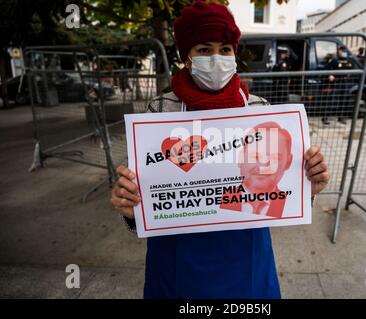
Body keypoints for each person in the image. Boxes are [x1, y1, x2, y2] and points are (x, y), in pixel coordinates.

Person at [110, 1, 330, 299]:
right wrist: (131, 210)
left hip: (244, 258)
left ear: (234, 54)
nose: (216, 58)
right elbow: (145, 198)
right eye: (204, 49)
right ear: (186, 56)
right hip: (178, 259)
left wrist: (308, 187)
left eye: (225, 49)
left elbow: (280, 197)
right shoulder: (159, 110)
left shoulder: (258, 111)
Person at [220, 121, 292, 218]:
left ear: (288, 162)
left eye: (274, 157)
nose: (263, 165)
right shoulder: (216, 201)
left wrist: (309, 189)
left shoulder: (292, 203)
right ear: (240, 158)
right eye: (256, 156)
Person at [322, 46, 353, 125]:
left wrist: (350, 74)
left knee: (343, 100)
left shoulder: (348, 60)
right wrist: (330, 75)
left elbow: (351, 69)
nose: (343, 52)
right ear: (339, 51)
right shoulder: (334, 59)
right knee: (332, 101)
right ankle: (325, 117)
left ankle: (341, 117)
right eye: (342, 50)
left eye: (344, 51)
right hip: (336, 82)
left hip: (344, 82)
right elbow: (327, 68)